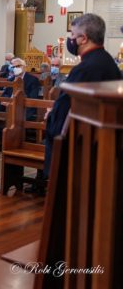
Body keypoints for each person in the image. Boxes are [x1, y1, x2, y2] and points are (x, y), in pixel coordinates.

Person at [43, 14, 121, 184]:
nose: (70, 39)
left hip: (80, 149)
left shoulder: (85, 68)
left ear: (83, 38)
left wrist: (51, 116)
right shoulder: (107, 62)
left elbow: (66, 109)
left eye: (72, 34)